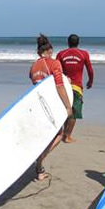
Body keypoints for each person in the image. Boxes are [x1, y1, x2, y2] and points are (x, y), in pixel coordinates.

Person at [29, 34, 73, 181]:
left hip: (36, 106)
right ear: (50, 51)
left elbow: (36, 85)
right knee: (59, 134)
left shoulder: (33, 66)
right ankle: (40, 160)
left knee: (43, 136)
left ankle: (40, 169)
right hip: (50, 106)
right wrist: (68, 106)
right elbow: (59, 86)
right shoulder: (54, 64)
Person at [56, 34, 94, 143]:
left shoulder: (61, 54)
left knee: (66, 109)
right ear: (78, 43)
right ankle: (67, 136)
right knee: (74, 111)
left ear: (68, 43)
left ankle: (63, 133)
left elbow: (57, 70)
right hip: (76, 87)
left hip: (64, 86)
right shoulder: (83, 54)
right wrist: (90, 81)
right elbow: (90, 70)